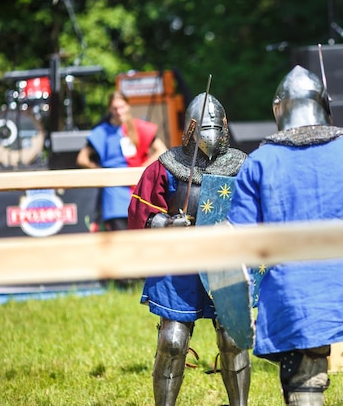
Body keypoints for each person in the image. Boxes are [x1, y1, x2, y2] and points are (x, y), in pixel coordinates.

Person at [228, 65, 343, 406]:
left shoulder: (258, 162)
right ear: (323, 105)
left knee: (304, 383)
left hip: (295, 295)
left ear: (279, 109)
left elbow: (241, 240)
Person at [127, 93, 250, 406]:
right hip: (177, 261)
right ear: (190, 128)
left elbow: (257, 211)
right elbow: (141, 213)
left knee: (233, 339)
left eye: (216, 128)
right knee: (172, 341)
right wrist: (166, 224)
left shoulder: (242, 165)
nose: (210, 135)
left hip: (225, 260)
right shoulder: (165, 167)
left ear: (225, 127)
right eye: (203, 128)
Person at [76, 91, 168, 231]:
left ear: (128, 106)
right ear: (110, 109)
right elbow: (82, 158)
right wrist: (101, 173)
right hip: (115, 197)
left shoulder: (139, 127)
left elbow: (161, 149)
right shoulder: (102, 131)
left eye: (121, 107)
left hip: (140, 192)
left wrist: (143, 169)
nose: (119, 111)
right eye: (115, 108)